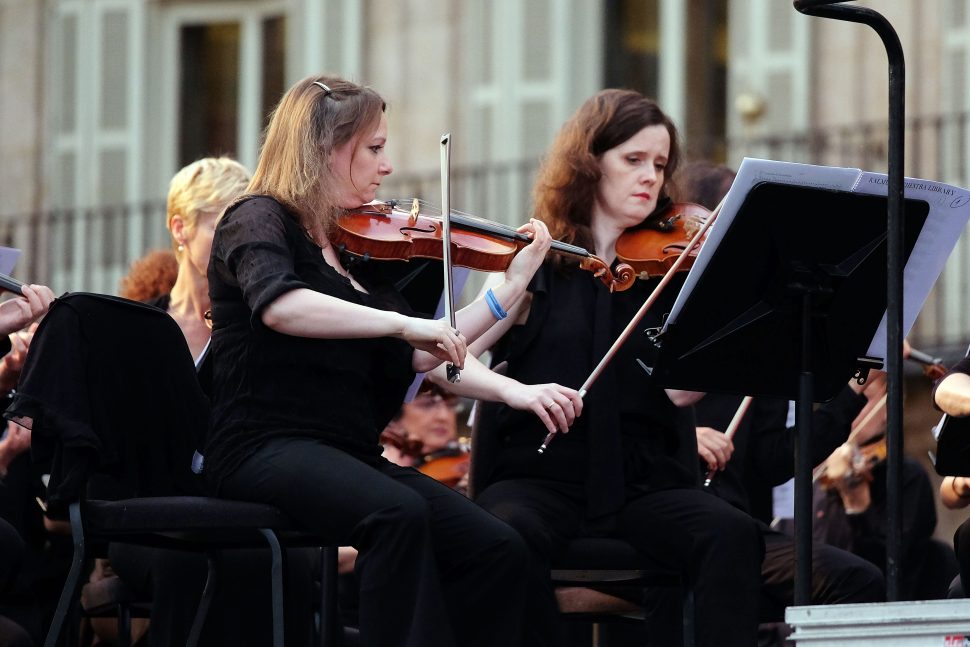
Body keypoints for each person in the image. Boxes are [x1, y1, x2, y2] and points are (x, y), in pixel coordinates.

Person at [205, 74, 578, 647]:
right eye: (374, 148)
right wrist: (404, 321)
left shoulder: (354, 250)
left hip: (345, 452)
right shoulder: (257, 218)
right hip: (262, 445)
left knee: (496, 546)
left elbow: (426, 356)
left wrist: (511, 286)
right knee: (396, 515)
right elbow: (280, 305)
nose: (387, 167)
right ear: (324, 150)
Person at [453, 90, 764, 647]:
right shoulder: (536, 264)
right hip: (540, 479)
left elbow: (680, 396)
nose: (651, 177)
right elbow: (447, 362)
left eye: (661, 165)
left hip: (643, 484)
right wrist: (513, 389)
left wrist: (722, 306)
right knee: (503, 535)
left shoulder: (667, 275)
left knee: (731, 533)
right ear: (590, 162)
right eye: (634, 160)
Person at [682, 161, 887, 631]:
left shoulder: (759, 328)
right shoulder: (656, 307)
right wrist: (683, 438)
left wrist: (855, 389)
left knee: (856, 579)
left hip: (739, 522)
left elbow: (775, 458)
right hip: (675, 513)